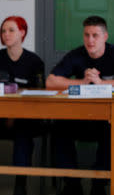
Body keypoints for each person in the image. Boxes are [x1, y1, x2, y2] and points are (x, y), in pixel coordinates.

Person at [0, 16, 44, 195]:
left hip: (24, 118)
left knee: (23, 135)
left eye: (11, 30)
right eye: (3, 31)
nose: (6, 34)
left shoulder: (34, 61)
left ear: (22, 32)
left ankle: (20, 184)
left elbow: (39, 95)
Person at [46, 16, 113, 195]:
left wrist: (100, 83)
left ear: (105, 36)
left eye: (95, 35)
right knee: (59, 127)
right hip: (80, 119)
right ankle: (71, 183)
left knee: (111, 130)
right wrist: (83, 82)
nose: (90, 40)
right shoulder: (76, 55)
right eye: (86, 35)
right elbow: (51, 82)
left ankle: (99, 183)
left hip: (106, 120)